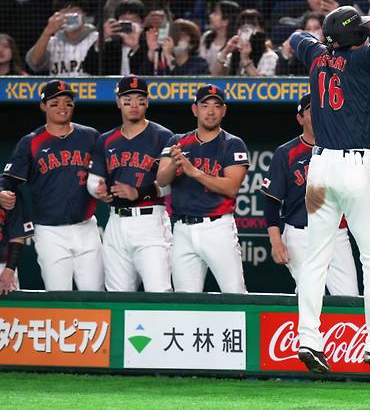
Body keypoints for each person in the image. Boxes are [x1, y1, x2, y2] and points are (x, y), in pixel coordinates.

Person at [290, 0, 370, 373]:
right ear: (354, 36)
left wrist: (321, 39)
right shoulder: (363, 58)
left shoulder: (316, 55)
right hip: (355, 167)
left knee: (315, 260)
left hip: (319, 167)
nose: (367, 28)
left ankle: (308, 337)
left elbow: (297, 37)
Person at [0, 80, 103, 291]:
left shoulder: (90, 136)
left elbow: (107, 171)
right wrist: (1, 192)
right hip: (50, 231)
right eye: (55, 103)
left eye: (67, 102)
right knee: (58, 296)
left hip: (86, 227)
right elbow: (8, 179)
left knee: (95, 295)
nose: (62, 107)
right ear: (43, 106)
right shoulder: (31, 141)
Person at [261, 94, 358, 296]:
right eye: (311, 110)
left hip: (335, 233)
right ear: (300, 118)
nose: (318, 114)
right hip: (300, 234)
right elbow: (271, 201)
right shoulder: (286, 152)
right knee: (310, 297)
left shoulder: (343, 149)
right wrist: (276, 241)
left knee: (349, 298)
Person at [156, 84, 249, 293]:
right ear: (195, 109)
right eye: (205, 105)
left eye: (216, 106)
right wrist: (174, 162)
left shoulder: (233, 144)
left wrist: (194, 171)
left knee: (234, 294)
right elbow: (161, 180)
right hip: (182, 229)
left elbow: (231, 187)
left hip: (217, 227)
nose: (210, 111)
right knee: (185, 302)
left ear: (224, 110)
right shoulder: (177, 141)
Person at [87, 76, 173, 292]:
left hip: (151, 221)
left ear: (147, 102)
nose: (134, 105)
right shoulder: (105, 140)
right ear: (118, 102)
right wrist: (99, 191)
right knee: (117, 295)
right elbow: (94, 181)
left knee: (159, 292)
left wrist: (139, 192)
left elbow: (171, 184)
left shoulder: (164, 137)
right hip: (116, 221)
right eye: (127, 99)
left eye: (139, 99)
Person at [25, 0, 98, 76]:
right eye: (64, 11)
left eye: (75, 10)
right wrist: (47, 32)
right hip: (60, 89)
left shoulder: (97, 39)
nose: (70, 14)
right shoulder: (51, 42)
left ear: (84, 14)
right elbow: (34, 62)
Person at [85, 0, 148, 76]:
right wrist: (102, 38)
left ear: (142, 24)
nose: (128, 23)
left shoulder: (149, 46)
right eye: (124, 20)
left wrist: (135, 47)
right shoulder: (110, 47)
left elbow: (149, 72)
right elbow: (89, 68)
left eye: (133, 20)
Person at [214, 9, 279, 76]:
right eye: (242, 26)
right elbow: (215, 76)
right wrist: (225, 52)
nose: (246, 30)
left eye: (252, 25)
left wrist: (245, 59)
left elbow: (264, 85)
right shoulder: (233, 55)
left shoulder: (270, 57)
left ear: (262, 30)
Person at [143, 18, 209, 75]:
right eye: (173, 35)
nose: (176, 39)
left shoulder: (199, 64)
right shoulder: (162, 60)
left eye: (181, 35)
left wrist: (169, 57)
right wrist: (151, 51)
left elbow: (182, 83)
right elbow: (143, 79)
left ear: (192, 44)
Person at [0, 190, 34, 295]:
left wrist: (9, 270)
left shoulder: (7, 189)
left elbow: (17, 236)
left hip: (2, 266)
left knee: (9, 309)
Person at [200, 0, 241, 73]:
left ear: (225, 21)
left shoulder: (235, 43)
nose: (210, 16)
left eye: (216, 13)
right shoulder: (206, 37)